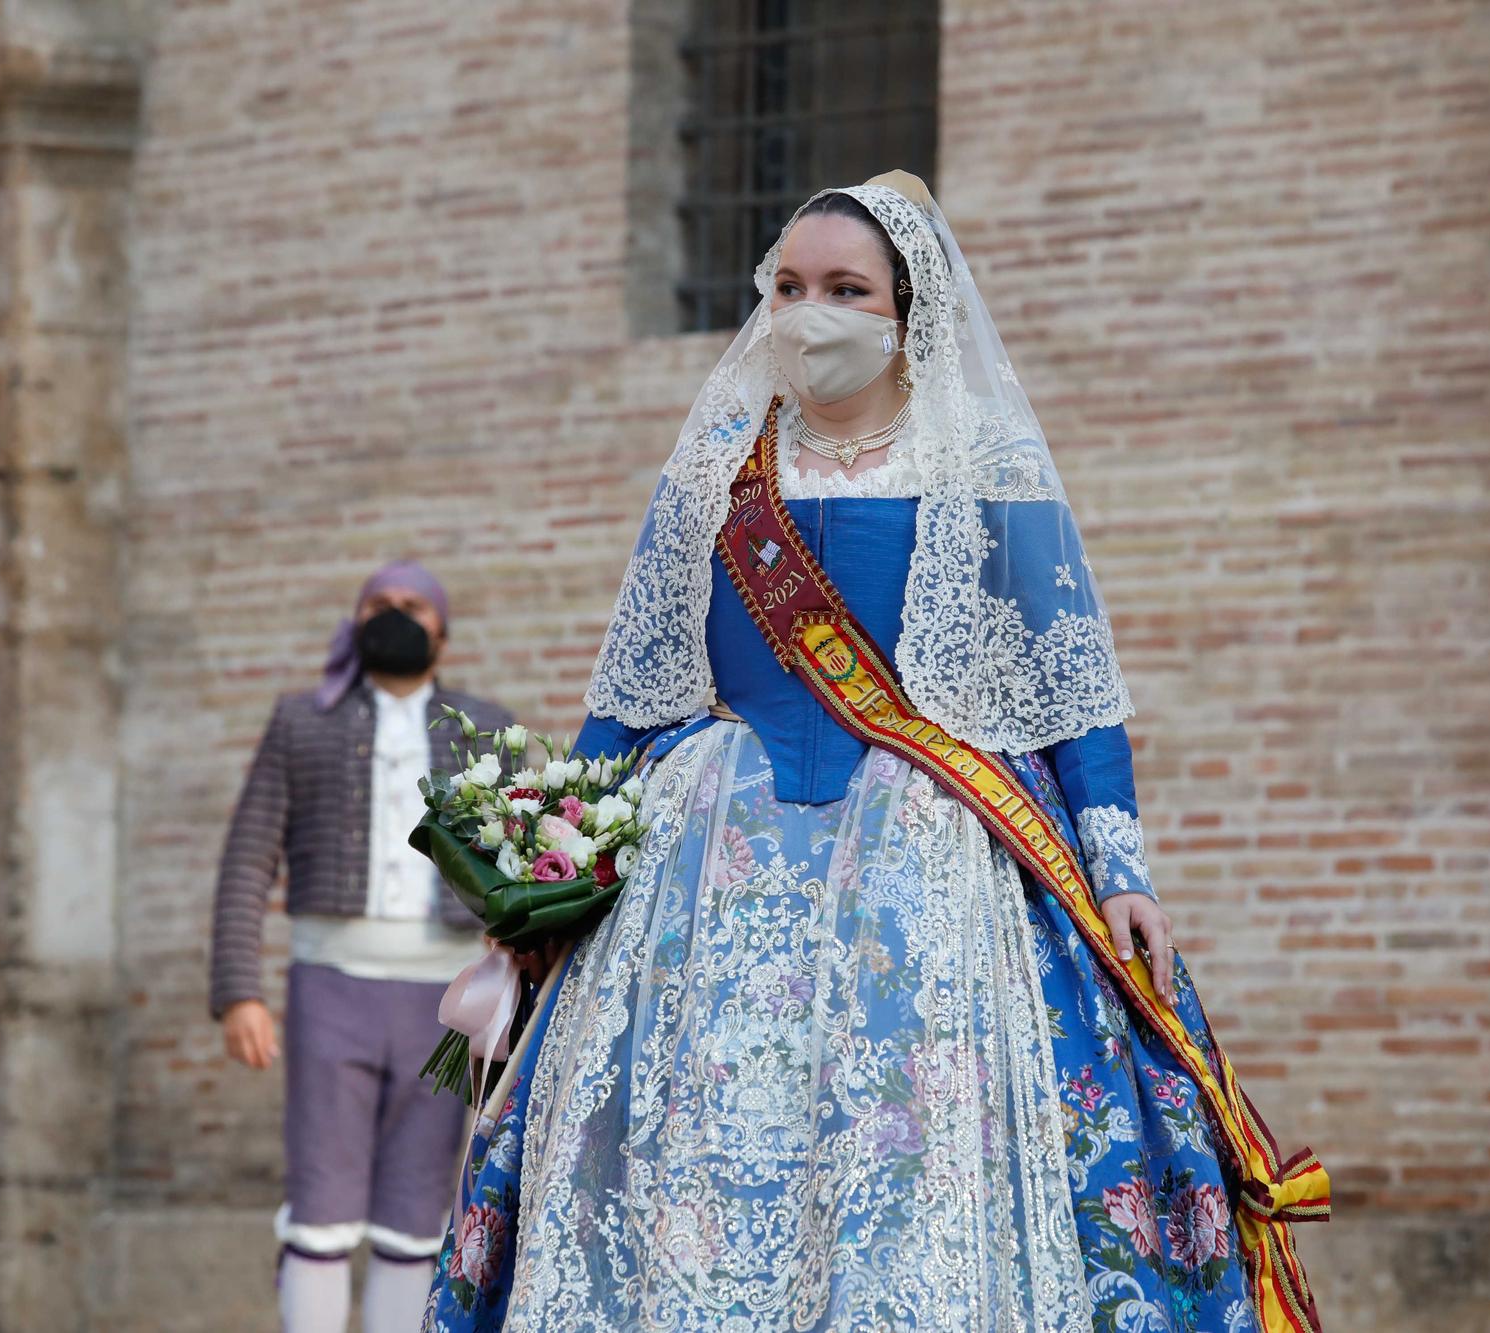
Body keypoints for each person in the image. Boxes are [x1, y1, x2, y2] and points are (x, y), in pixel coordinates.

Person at [421, 175, 1327, 1333]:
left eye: (846, 290)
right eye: (788, 287)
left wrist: (1120, 867)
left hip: (931, 861)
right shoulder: (712, 477)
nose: (811, 314)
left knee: (899, 1144)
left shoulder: (984, 471)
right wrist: (538, 889)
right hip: (707, 862)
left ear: (909, 312)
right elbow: (630, 694)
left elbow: (1068, 689)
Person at [209, 560, 514, 1333]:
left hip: (446, 1001)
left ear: (442, 628)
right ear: (354, 620)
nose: (396, 614)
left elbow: (520, 867)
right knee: (321, 1197)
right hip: (330, 987)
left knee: (417, 1205)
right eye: (379, 603)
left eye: (413, 605)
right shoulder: (300, 721)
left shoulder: (484, 728)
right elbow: (247, 856)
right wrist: (239, 990)